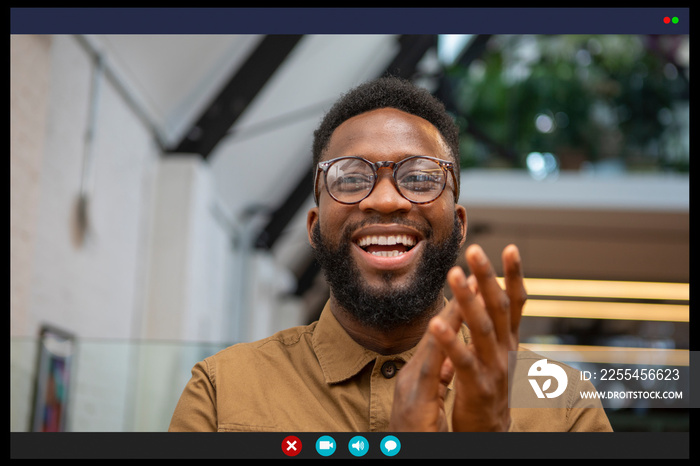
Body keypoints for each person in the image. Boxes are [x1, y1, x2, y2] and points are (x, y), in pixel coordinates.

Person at [168, 76, 612, 432]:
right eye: (349, 177)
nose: (383, 201)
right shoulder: (222, 394)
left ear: (458, 226)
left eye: (419, 178)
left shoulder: (563, 406)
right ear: (314, 227)